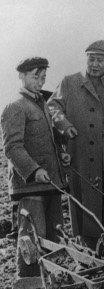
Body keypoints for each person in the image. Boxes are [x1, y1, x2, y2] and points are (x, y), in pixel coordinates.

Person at [48, 40, 104, 250]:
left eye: (100, 60)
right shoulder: (69, 82)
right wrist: (64, 124)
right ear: (86, 59)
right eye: (91, 59)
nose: (95, 64)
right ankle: (91, 250)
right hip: (83, 159)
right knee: (88, 208)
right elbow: (52, 105)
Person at [1, 57, 67, 277]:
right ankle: (28, 284)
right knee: (32, 235)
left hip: (50, 183)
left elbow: (49, 141)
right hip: (30, 185)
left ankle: (52, 281)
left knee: (53, 237)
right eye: (35, 76)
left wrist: (62, 156)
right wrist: (34, 170)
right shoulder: (15, 107)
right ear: (22, 76)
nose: (40, 81)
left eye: (43, 77)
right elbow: (12, 147)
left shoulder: (43, 105)